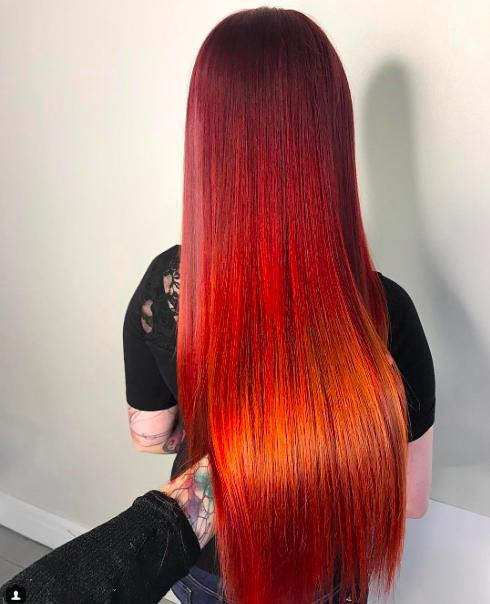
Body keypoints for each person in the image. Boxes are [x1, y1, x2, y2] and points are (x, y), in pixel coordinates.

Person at [2, 7, 436, 604]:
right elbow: (409, 500)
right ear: (331, 139)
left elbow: (149, 435)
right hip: (327, 571)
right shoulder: (385, 310)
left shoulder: (168, 286)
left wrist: (230, 433)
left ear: (207, 137)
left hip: (207, 565)